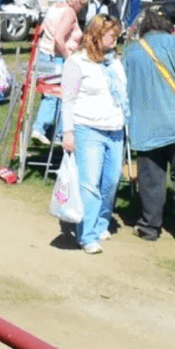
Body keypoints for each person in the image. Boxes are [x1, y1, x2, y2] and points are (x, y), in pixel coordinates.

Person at [122, 10, 175, 244]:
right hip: (174, 120)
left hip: (143, 125)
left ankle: (149, 226)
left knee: (150, 178)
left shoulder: (130, 51)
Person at [60, 15, 128, 254]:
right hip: (87, 127)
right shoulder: (76, 63)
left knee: (110, 181)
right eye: (112, 35)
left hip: (115, 128)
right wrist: (67, 132)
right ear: (97, 35)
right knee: (89, 182)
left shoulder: (115, 62)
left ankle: (101, 223)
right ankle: (86, 235)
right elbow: (66, 100)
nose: (115, 40)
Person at [29, 0, 89, 143]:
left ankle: (54, 133)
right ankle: (43, 128)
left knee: (52, 94)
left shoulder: (55, 7)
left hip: (44, 54)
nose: (82, 8)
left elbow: (42, 29)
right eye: (82, 4)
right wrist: (68, 57)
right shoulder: (69, 12)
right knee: (58, 95)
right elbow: (59, 38)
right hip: (55, 57)